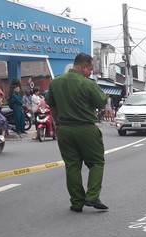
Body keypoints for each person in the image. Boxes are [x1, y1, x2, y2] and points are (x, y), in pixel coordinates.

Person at [45, 53, 108, 213]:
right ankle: (92, 196)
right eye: (90, 69)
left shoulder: (56, 82)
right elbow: (101, 102)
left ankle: (77, 202)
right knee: (96, 163)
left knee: (72, 166)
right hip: (85, 128)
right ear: (83, 67)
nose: (91, 73)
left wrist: (57, 123)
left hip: (64, 129)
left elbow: (51, 105)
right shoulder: (87, 83)